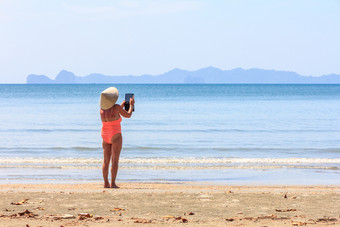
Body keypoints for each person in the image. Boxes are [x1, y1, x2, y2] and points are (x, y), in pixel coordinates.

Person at [99, 87, 135, 188]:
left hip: (105, 135)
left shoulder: (102, 110)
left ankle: (106, 183)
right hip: (115, 135)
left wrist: (122, 105)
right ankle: (113, 183)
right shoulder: (116, 108)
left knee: (106, 161)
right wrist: (131, 105)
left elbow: (114, 113)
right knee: (114, 160)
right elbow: (128, 115)